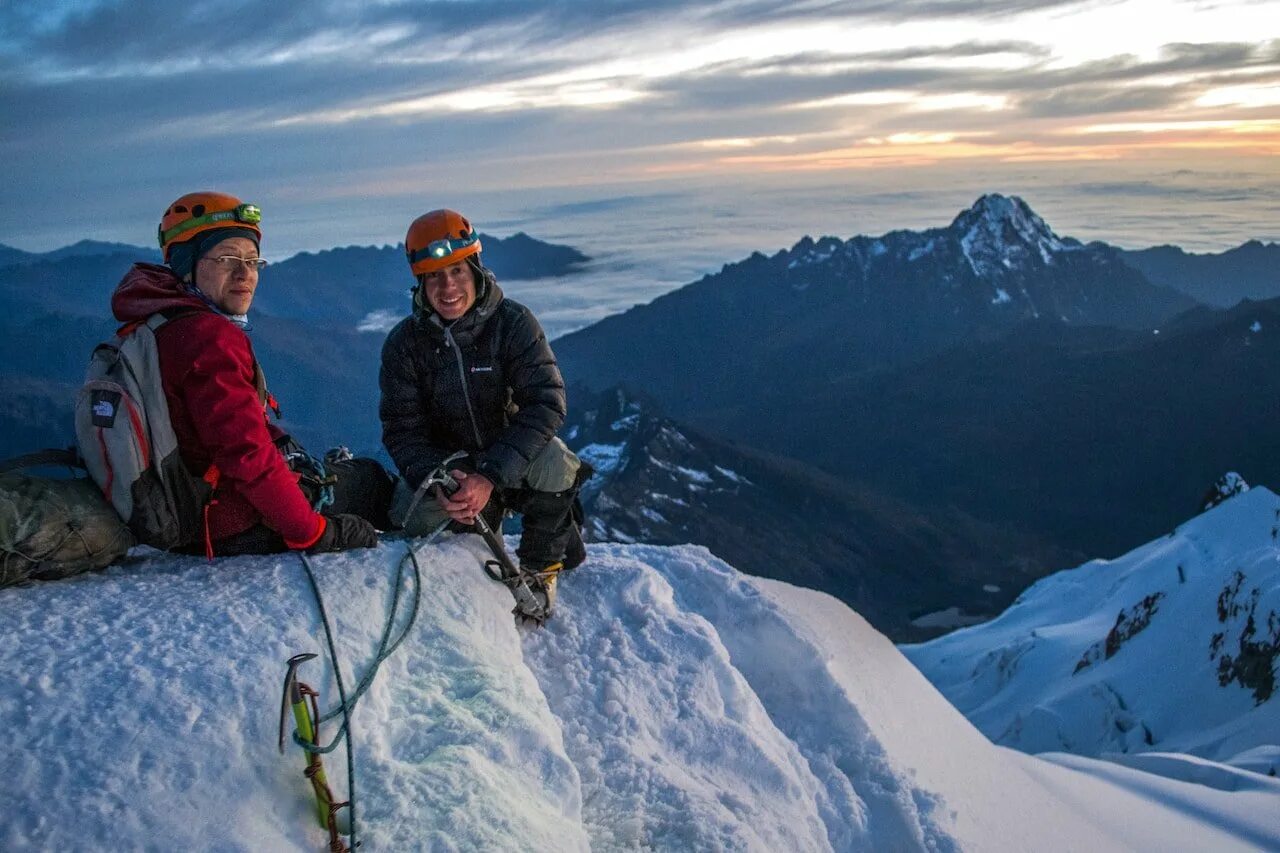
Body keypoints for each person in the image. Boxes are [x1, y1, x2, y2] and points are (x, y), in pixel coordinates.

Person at [111, 190, 393, 556]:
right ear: (186, 264)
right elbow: (246, 455)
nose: (245, 274)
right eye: (228, 258)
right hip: (225, 520)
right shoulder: (208, 337)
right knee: (370, 481)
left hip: (182, 504)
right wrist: (315, 533)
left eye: (253, 260)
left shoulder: (156, 323)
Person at [379, 208, 587, 605]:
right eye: (434, 276)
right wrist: (439, 480)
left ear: (475, 268)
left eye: (457, 270)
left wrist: (491, 476)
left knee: (558, 462)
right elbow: (401, 428)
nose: (448, 286)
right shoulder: (405, 345)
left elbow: (546, 403)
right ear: (420, 284)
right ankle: (481, 527)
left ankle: (541, 569)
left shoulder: (513, 323)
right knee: (412, 521)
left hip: (508, 456)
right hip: (452, 468)